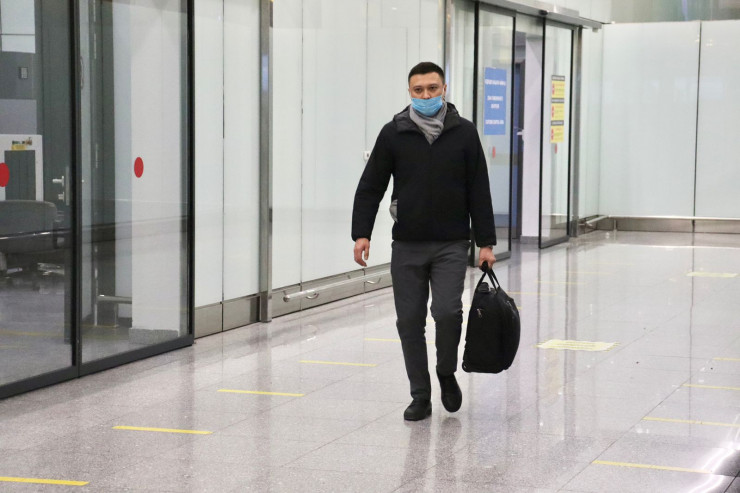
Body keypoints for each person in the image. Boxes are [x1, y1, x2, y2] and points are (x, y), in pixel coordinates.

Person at [351, 61, 497, 421]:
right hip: (407, 245)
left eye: (432, 88)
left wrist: (486, 242)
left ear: (444, 89)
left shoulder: (464, 133)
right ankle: (420, 394)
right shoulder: (394, 133)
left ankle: (445, 371)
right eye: (419, 90)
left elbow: (479, 189)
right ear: (410, 92)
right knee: (409, 322)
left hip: (451, 243)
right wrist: (362, 233)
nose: (426, 95)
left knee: (447, 312)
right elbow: (371, 186)